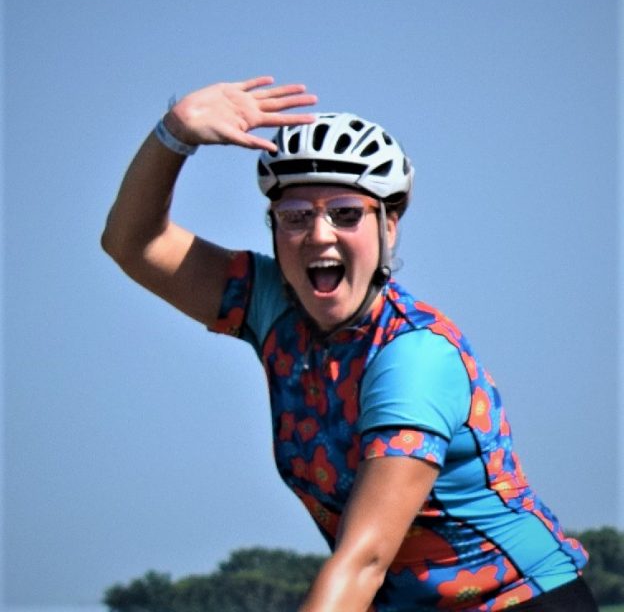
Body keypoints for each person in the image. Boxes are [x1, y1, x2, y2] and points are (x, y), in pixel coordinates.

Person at [101, 76, 597, 611]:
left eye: (345, 213)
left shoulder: (414, 355)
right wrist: (174, 134)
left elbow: (364, 558)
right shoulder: (273, 306)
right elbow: (133, 242)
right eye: (295, 218)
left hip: (520, 602)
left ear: (390, 223)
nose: (319, 235)